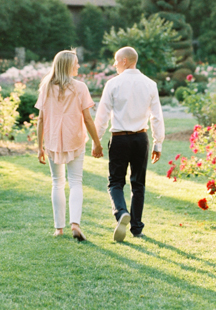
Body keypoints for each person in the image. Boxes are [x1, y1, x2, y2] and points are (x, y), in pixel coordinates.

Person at [94, 46, 165, 242]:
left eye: (116, 61)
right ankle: (136, 228)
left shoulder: (113, 84)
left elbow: (102, 116)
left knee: (115, 182)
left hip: (119, 138)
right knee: (138, 184)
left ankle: (121, 212)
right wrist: (158, 144)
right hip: (141, 139)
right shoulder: (150, 84)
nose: (114, 64)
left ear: (125, 61)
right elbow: (156, 117)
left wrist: (96, 141)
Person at [36, 50, 103, 241]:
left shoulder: (46, 87)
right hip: (74, 137)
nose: (78, 66)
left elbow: (40, 119)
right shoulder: (80, 87)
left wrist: (39, 146)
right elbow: (88, 119)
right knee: (75, 181)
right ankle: (75, 223)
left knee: (57, 182)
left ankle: (59, 228)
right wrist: (97, 143)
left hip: (52, 139)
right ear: (67, 65)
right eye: (76, 63)